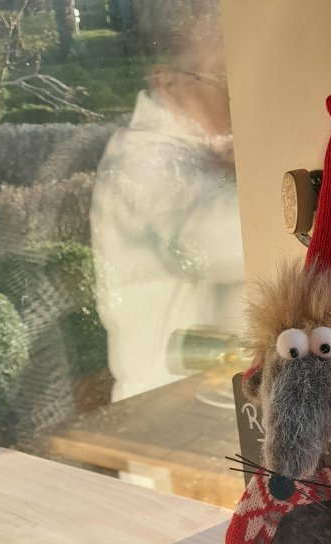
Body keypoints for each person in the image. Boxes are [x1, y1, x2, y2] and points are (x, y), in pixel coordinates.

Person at [89, 0, 244, 402]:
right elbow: (229, 241)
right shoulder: (142, 163)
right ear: (169, 84)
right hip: (166, 411)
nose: (238, 94)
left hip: (215, 394)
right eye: (224, 76)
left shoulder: (204, 149)